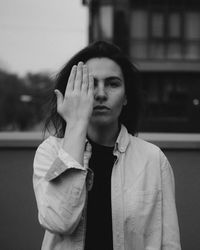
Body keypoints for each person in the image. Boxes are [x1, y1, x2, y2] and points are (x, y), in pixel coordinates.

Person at [33, 41, 181, 250]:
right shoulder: (50, 152)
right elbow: (59, 221)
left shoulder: (153, 159)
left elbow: (169, 243)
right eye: (90, 83)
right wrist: (76, 124)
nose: (100, 94)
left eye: (112, 84)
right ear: (72, 92)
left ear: (126, 96)